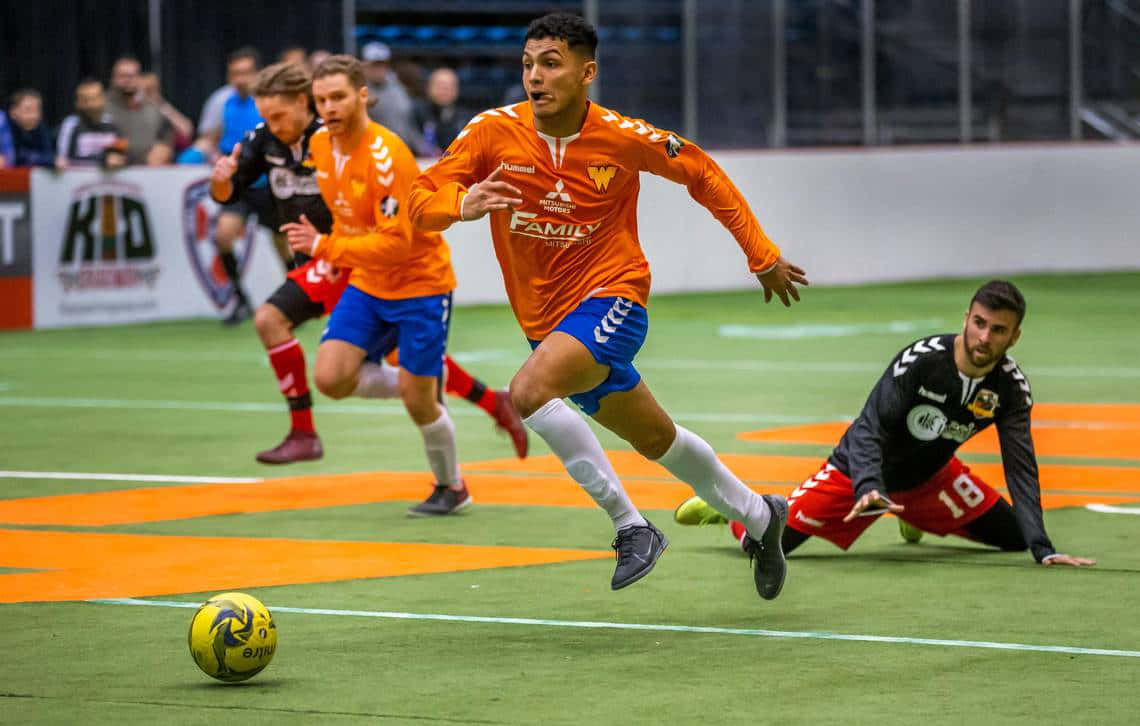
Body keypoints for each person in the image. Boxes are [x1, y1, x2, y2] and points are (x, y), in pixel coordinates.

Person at [408, 14, 809, 597]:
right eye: (527, 64)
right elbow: (419, 201)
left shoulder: (622, 137)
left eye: (550, 64)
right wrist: (460, 202)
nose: (534, 76)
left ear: (586, 72)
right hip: (547, 325)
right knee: (658, 439)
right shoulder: (491, 132)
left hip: (613, 297)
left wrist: (761, 254)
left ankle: (631, 526)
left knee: (527, 392)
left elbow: (701, 172)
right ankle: (761, 515)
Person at [212, 62, 527, 464]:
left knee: (272, 319)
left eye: (279, 115)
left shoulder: (337, 139)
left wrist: (330, 244)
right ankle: (487, 400)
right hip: (329, 254)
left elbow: (390, 219)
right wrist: (222, 178)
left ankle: (305, 431)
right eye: (266, 117)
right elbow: (226, 192)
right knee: (398, 361)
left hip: (346, 257)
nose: (272, 125)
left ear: (303, 103)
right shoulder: (268, 139)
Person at [674, 281, 1097, 569]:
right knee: (765, 544)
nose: (984, 338)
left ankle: (913, 514)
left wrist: (1043, 548)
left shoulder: (1011, 389)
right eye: (979, 323)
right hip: (857, 472)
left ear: (1014, 337)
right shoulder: (921, 361)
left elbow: (1021, 466)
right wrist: (868, 487)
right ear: (967, 317)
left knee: (1018, 537)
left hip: (932, 478)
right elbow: (868, 428)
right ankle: (733, 509)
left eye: (998, 330)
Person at [281, 55, 486, 515]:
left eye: (338, 97)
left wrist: (325, 247)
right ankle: (424, 380)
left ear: (362, 96)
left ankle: (451, 486)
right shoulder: (319, 144)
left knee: (420, 405)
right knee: (331, 378)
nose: (329, 108)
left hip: (421, 285)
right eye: (321, 100)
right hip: (369, 284)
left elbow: (397, 245)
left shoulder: (388, 156)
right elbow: (346, 213)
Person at [214, 47, 274, 325]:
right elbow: (222, 141)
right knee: (223, 235)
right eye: (235, 73)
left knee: (283, 243)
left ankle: (302, 297)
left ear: (258, 74)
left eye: (246, 73)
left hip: (268, 184)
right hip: (240, 185)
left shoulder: (268, 103)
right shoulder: (226, 104)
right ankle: (240, 299)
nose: (240, 79)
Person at [107, 56, 174, 165]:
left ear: (140, 79)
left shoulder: (154, 110)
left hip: (148, 170)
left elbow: (169, 136)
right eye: (122, 76)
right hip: (111, 169)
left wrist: (164, 148)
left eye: (132, 76)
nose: (127, 80)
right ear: (113, 79)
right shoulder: (101, 108)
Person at [359, 41, 424, 153]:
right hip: (374, 152)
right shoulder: (359, 91)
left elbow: (408, 124)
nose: (379, 69)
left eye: (382, 64)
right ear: (364, 65)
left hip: (402, 150)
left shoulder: (398, 88)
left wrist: (422, 147)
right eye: (374, 65)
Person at [55, 79, 127, 169]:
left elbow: (122, 155)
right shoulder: (70, 125)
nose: (91, 105)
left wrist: (118, 160)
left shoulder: (112, 125)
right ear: (77, 103)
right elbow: (63, 160)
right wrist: (103, 160)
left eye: (95, 98)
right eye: (85, 100)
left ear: (104, 99)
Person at [414, 67, 469, 156]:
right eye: (439, 85)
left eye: (449, 86)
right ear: (428, 88)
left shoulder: (466, 118)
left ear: (457, 90)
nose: (444, 90)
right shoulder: (415, 114)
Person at [139, 72, 194, 151]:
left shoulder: (161, 107)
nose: (145, 94)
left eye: (151, 89)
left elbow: (187, 130)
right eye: (145, 90)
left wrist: (158, 103)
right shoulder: (129, 110)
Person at [7, 90, 55, 168]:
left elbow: (49, 153)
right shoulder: (5, 129)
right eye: (28, 110)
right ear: (13, 111)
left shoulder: (42, 129)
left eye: (38, 109)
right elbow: (15, 156)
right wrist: (48, 160)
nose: (34, 115)